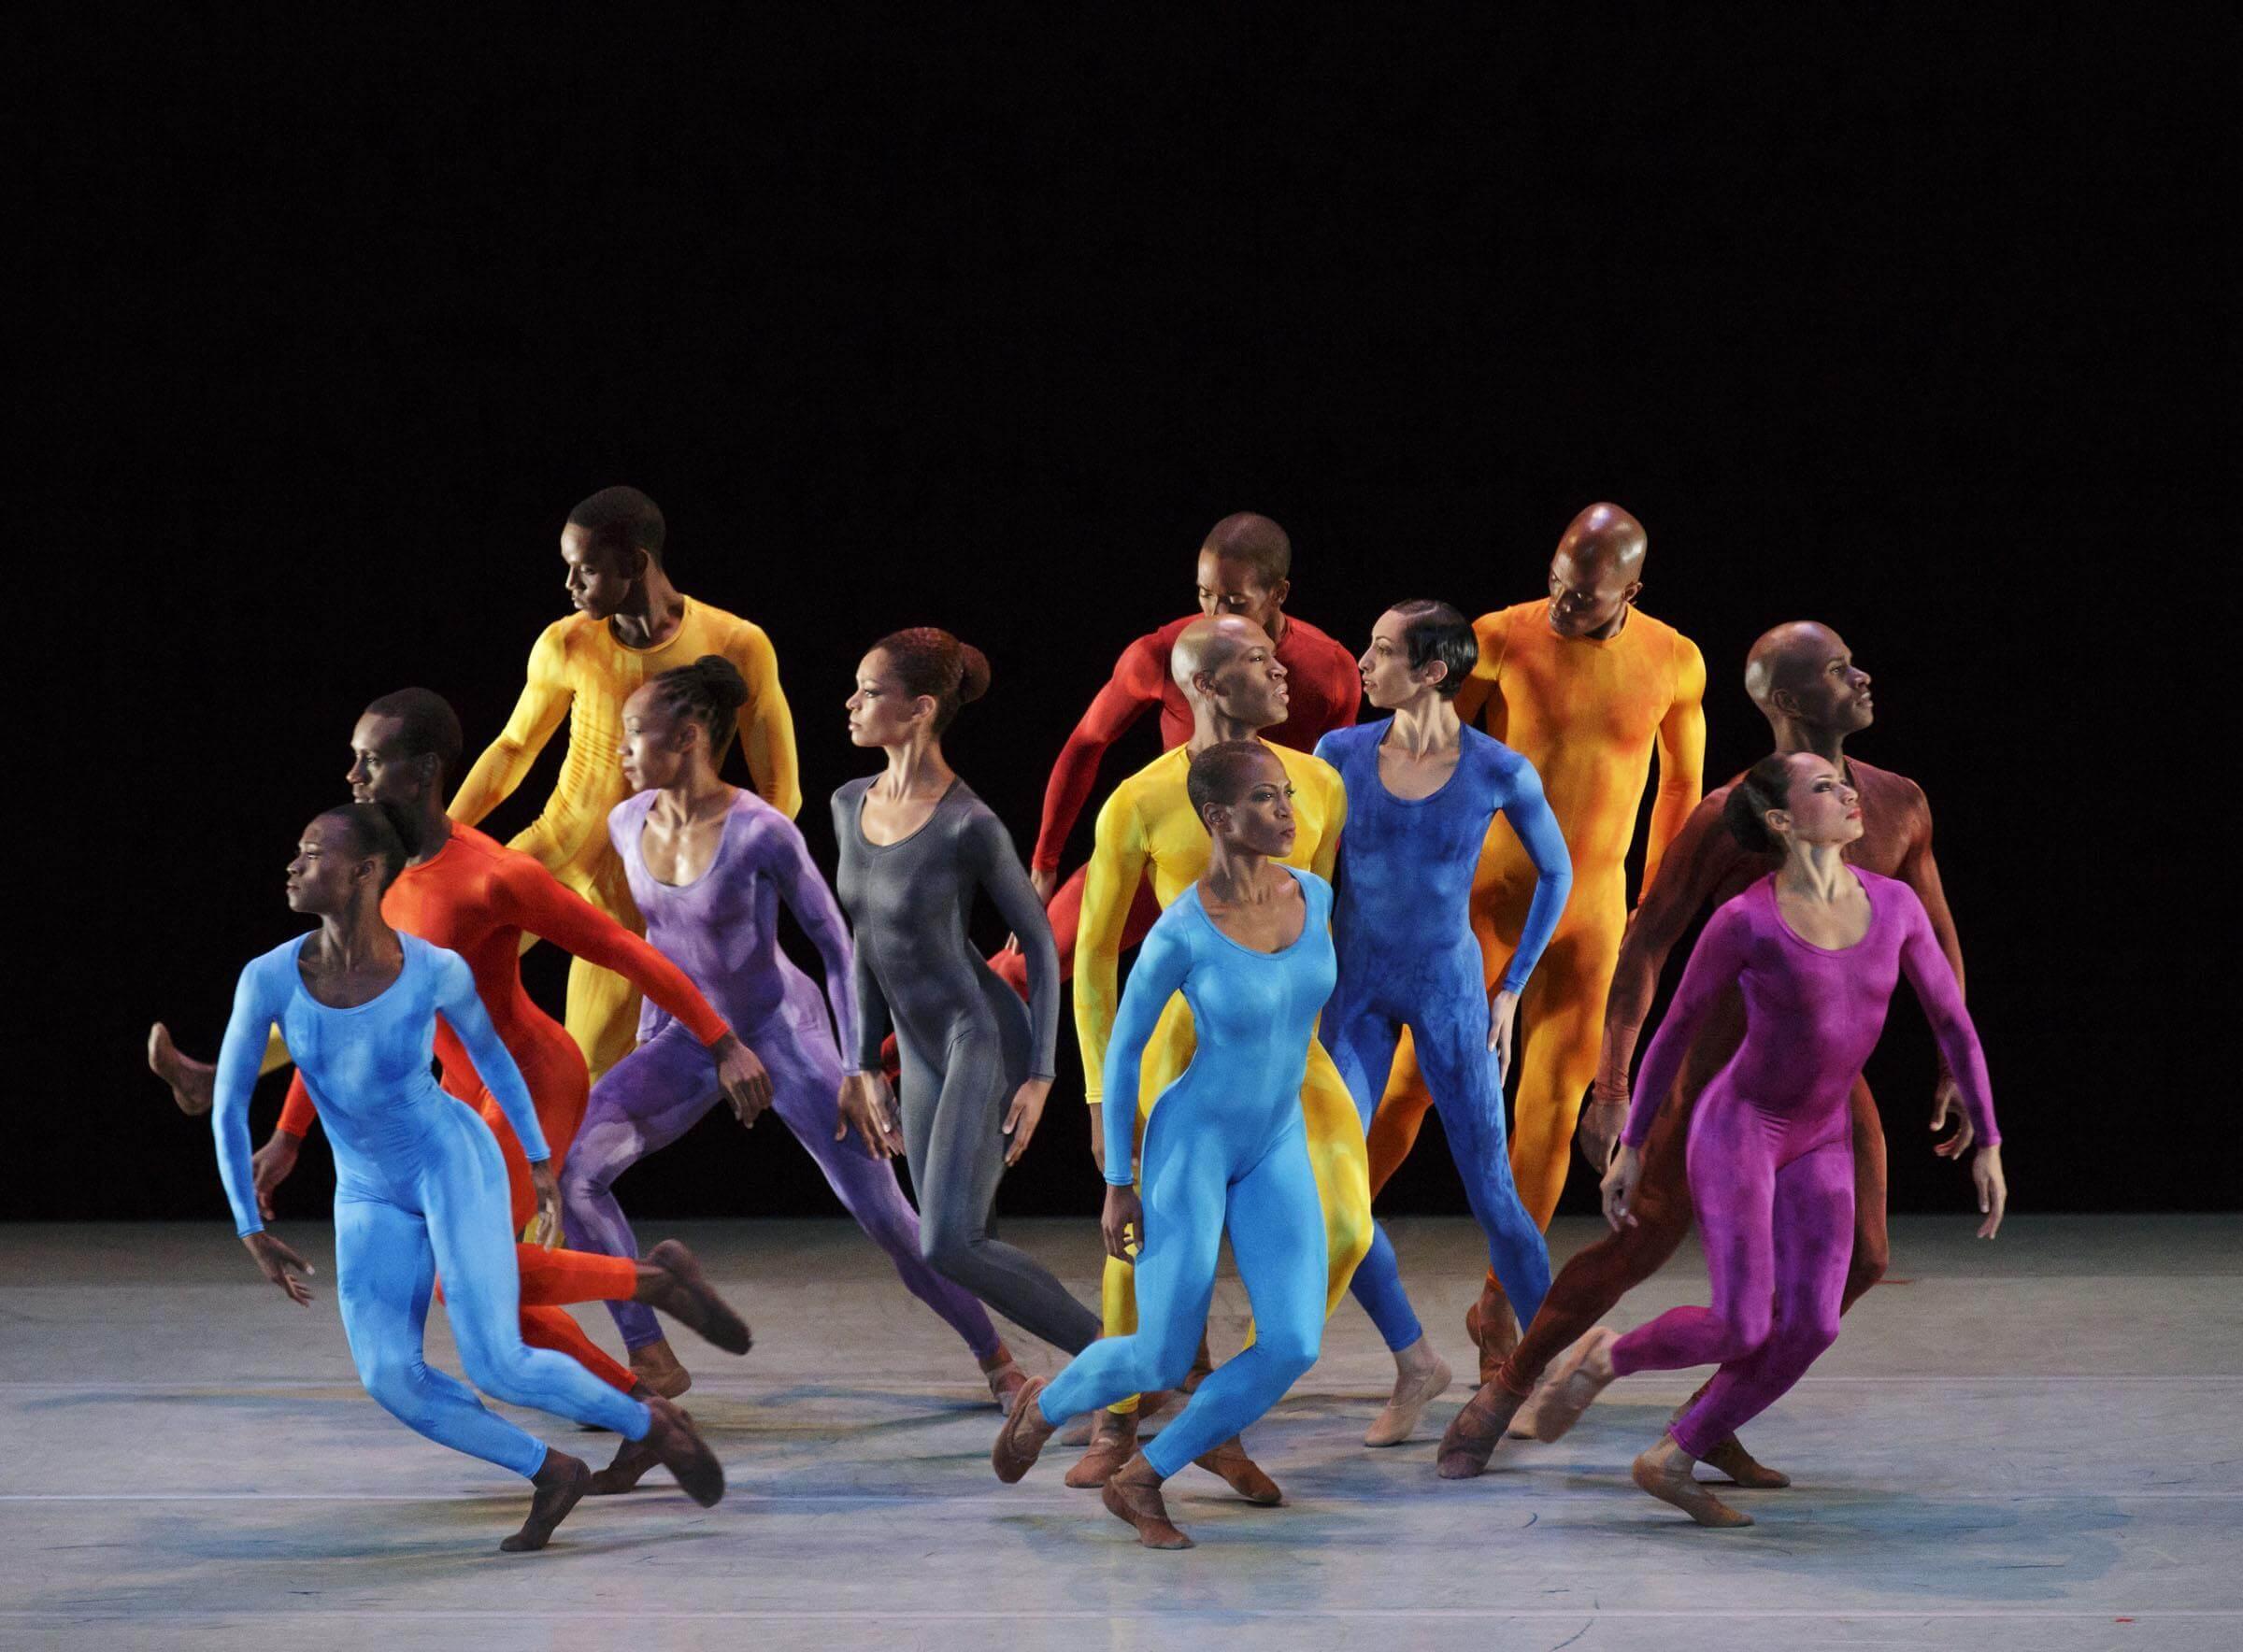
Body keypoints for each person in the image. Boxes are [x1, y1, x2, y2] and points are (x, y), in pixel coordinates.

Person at [1438, 623, 1976, 1483]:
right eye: (1841, 669)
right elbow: (1647, 944)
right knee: (1642, 1241)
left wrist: (1954, 1058)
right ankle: (1508, 1385)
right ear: (1790, 700)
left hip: (1830, 1082)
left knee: (1866, 1258)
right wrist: (1615, 1084)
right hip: (1725, 1071)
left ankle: (1708, 1416)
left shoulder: (1898, 802)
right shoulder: (1731, 815)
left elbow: (1936, 935)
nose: (1864, 675)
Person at [149, 688, 764, 1418]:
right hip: (456, 1091)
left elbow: (623, 950)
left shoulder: (492, 875)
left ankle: (654, 1287)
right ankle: (645, 1402)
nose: (353, 777)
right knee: (488, 1299)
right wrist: (289, 1135)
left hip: (531, 1080)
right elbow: (348, 1019)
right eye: (354, 760)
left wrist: (721, 1041)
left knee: (468, 1277)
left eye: (370, 761)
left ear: (423, 772)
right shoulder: (368, 870)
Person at [208, 803, 723, 1552]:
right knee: (389, 1376)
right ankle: (550, 1470)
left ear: (364, 873)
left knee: (497, 1360)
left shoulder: (433, 970)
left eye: (312, 853)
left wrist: (542, 1167)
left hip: (452, 1163)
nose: (293, 865)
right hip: (366, 1191)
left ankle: (653, 1425)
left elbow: (494, 1061)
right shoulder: (266, 979)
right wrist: (251, 1227)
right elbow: (228, 1108)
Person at [562, 654, 1026, 1451]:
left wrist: (855, 1069)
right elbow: (658, 946)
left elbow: (836, 946)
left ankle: (1000, 1362)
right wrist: (649, 1037)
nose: (620, 751)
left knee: (888, 1220)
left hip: (785, 1035)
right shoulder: (625, 821)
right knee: (575, 1171)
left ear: (691, 735)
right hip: (689, 1037)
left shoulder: (758, 831)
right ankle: (645, 1348)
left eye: (635, 734)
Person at [1549, 753, 2004, 1527]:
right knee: (1740, 1323)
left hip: (1822, 1134)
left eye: (1844, 783)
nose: (1848, 793)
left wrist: (1989, 1138)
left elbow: (1953, 1022)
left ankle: (1673, 1453)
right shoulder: (1747, 919)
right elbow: (1679, 1026)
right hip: (1741, 1129)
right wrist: (1630, 1141)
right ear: (1783, 822)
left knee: (1814, 1324)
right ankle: (1606, 1356)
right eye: (1823, 788)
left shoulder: (1893, 905)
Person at [1365, 504, 1706, 1381]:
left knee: (1550, 1114)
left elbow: (1683, 791)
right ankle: (1324, 1246)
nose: (1562, 604)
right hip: (1484, 907)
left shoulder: (1674, 659)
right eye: (1556, 582)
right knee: (1412, 1087)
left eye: (1585, 597)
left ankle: (1495, 1306)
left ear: (1632, 591)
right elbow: (1425, 753)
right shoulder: (1500, 637)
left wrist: (1657, 902)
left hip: (1589, 919)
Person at [991, 744, 1339, 1550]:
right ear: (1216, 816)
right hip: (1193, 1144)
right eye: (1264, 798)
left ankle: (1144, 1477)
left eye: (1287, 794)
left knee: (1293, 1342)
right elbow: (1121, 1050)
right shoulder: (1184, 929)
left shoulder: (1315, 897)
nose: (1288, 810)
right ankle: (1044, 1406)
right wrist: (1119, 1178)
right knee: (1160, 1354)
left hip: (1275, 1136)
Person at [1064, 614, 1368, 1495]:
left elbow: (1316, 919)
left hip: (1287, 1056)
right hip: (1184, 1054)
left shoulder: (1313, 783)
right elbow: (1092, 954)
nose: (1283, 670)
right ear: (1203, 683)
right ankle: (1115, 1422)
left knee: (1346, 1231)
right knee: (1143, 1254)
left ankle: (1216, 1413)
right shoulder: (1142, 799)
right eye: (1258, 661)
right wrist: (1096, 1091)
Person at [1315, 603, 1571, 1446]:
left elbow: (1556, 871)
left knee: (1495, 1192)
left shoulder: (1497, 768)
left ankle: (1540, 1375)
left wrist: (1511, 990)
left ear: (1431, 671)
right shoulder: (1340, 754)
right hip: (1353, 989)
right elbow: (1310, 877)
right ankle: (1415, 1362)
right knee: (1334, 1194)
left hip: (1449, 989)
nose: (1364, 660)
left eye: (1382, 650)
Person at [450, 486, 800, 1083]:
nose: (569, 585)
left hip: (636, 893)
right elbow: (511, 750)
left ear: (635, 564)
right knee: (402, 961)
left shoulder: (735, 644)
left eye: (584, 569)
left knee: (584, 1081)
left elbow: (780, 796)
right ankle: (239, 1065)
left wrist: (705, 888)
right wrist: (443, 837)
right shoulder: (568, 641)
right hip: (552, 849)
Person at [830, 629, 1104, 1360]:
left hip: (980, 1034)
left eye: (870, 691)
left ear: (920, 710)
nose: (851, 702)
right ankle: (1118, 1365)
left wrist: (1043, 1076)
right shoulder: (847, 804)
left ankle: (1116, 1361)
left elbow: (1040, 946)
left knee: (951, 1240)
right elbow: (863, 940)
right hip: (920, 1049)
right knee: (953, 1239)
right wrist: (863, 1064)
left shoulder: (967, 823)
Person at [980, 513, 1359, 1002]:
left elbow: (1336, 794)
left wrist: (1324, 906)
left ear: (1278, 595)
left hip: (1263, 874)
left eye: (1235, 601)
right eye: (1204, 593)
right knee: (1022, 966)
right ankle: (876, 1067)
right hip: (1165, 848)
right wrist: (1043, 864)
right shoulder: (1167, 651)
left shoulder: (1328, 670)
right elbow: (1087, 742)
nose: (1214, 611)